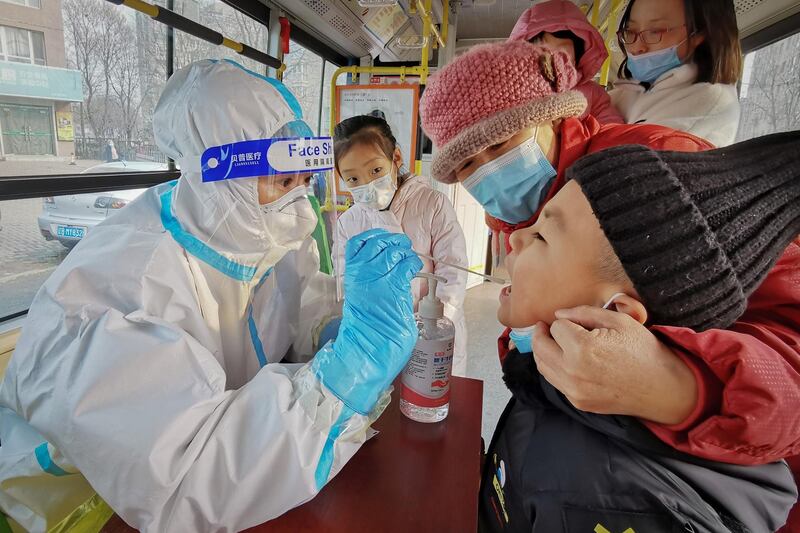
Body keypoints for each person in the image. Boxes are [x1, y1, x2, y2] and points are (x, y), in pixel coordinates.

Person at [0, 59, 423, 532]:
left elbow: (299, 302)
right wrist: (348, 370)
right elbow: (186, 482)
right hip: (77, 507)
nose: (302, 208)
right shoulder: (115, 297)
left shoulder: (249, 229)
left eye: (306, 181)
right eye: (285, 181)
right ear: (222, 174)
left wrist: (340, 326)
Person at [419, 40, 800, 466]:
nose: (489, 169)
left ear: (554, 116)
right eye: (467, 165)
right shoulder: (517, 214)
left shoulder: (656, 170)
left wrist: (677, 389)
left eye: (503, 142)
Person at [480, 133, 800, 532]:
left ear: (614, 312)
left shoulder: (615, 501)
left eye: (542, 236)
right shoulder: (561, 390)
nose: (515, 237)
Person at [333, 115, 469, 375]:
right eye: (353, 179)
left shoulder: (432, 204)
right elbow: (345, 283)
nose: (367, 186)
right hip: (377, 339)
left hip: (431, 337)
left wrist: (433, 327)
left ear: (396, 158)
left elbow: (454, 271)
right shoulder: (348, 223)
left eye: (375, 171)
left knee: (430, 396)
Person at [609, 0, 742, 147]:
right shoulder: (629, 91)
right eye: (630, 31)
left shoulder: (709, 100)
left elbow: (626, 163)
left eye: (655, 31)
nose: (636, 47)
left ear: (698, 34)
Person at [508, 0, 624, 124]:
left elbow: (611, 129)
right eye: (542, 52)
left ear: (576, 59)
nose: (552, 62)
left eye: (562, 55)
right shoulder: (513, 90)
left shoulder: (593, 94)